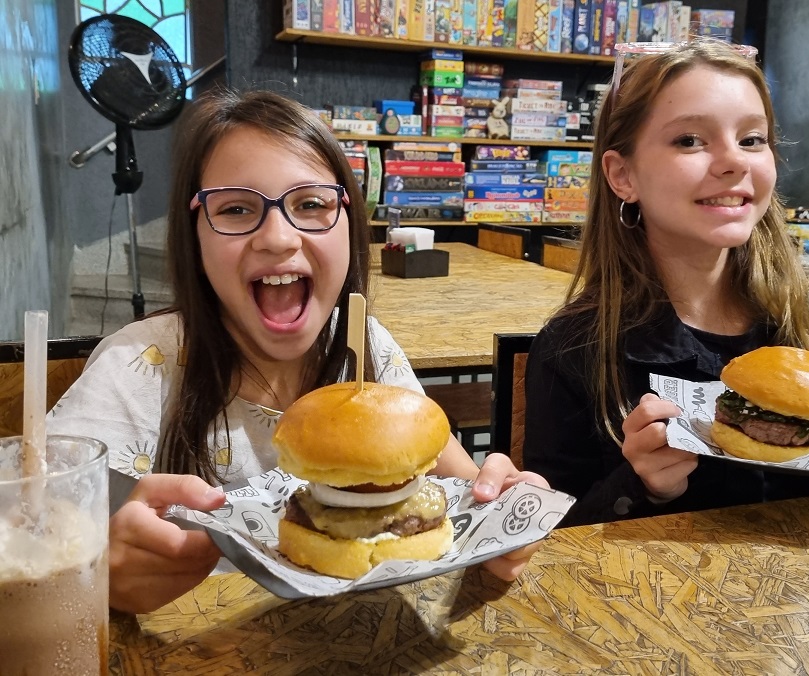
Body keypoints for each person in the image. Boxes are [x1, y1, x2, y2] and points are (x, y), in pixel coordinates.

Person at [49, 89, 548, 613]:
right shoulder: (139, 365)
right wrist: (93, 576)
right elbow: (31, 533)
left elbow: (458, 488)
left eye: (311, 204)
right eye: (237, 209)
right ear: (193, 232)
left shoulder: (366, 349)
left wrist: (503, 512)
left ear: (349, 222)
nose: (279, 237)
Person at [522, 39, 809, 528]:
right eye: (690, 140)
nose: (734, 161)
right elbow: (547, 533)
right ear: (623, 175)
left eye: (751, 139)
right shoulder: (577, 346)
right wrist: (643, 486)